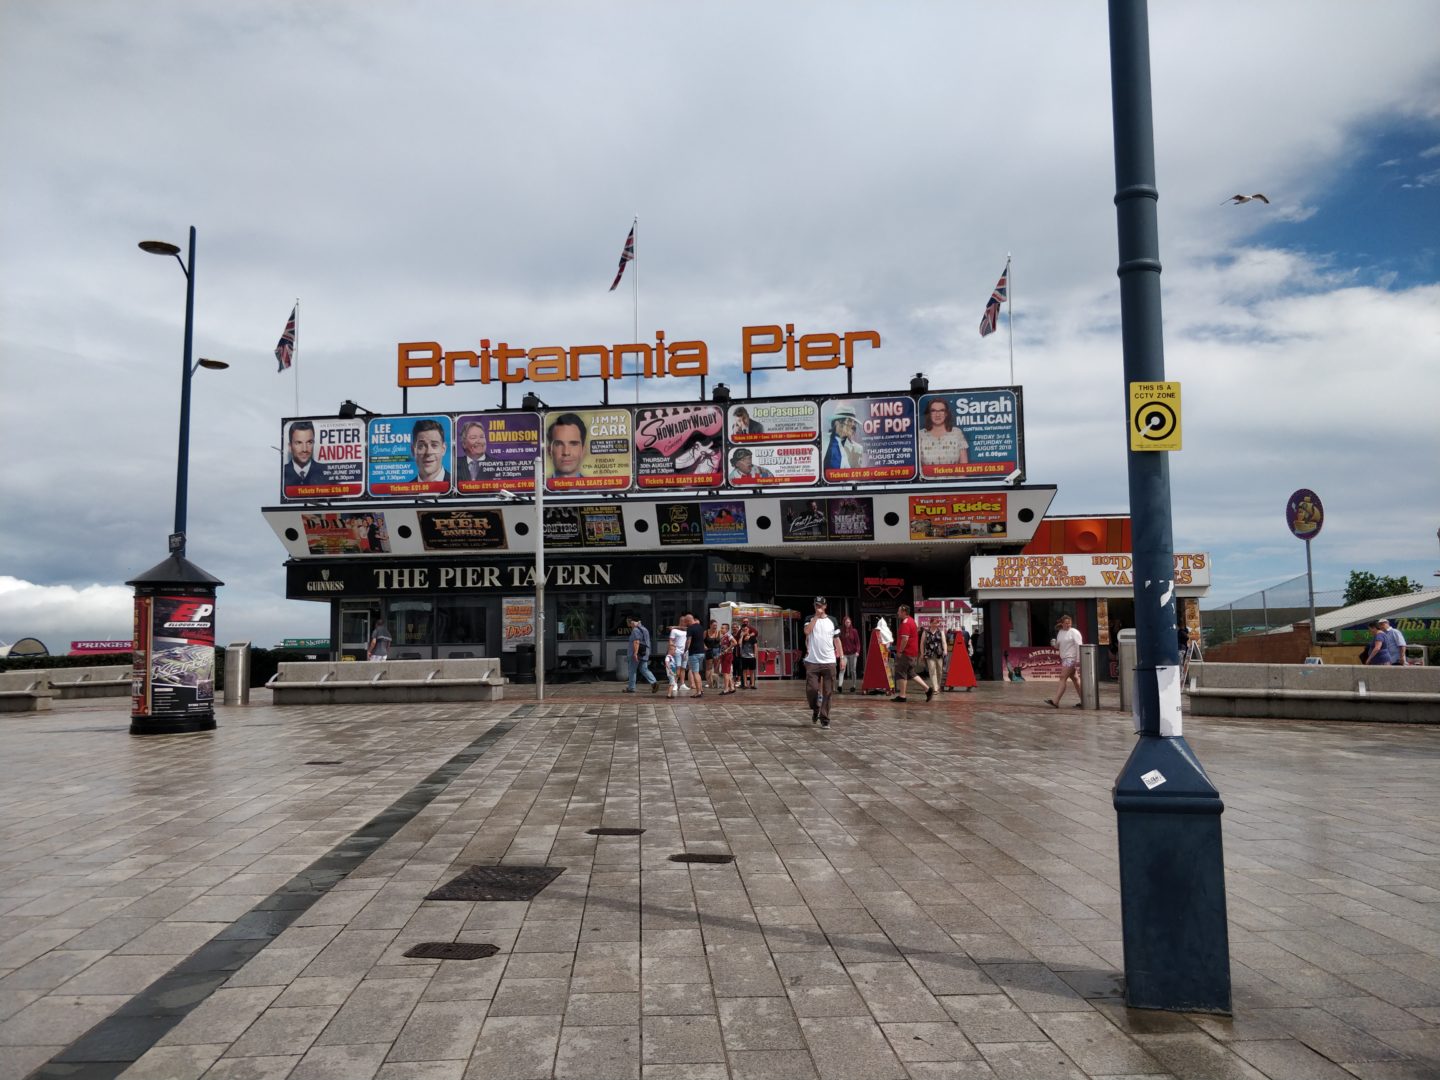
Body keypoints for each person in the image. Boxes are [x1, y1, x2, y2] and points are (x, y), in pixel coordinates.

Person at [803, 596, 842, 727]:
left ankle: (825, 719)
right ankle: (815, 708)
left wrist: (841, 657)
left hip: (829, 661)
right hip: (812, 661)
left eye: (820, 605)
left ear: (825, 606)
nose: (818, 607)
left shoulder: (832, 620)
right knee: (812, 690)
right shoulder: (809, 619)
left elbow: (837, 640)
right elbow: (807, 631)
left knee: (828, 691)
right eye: (816, 605)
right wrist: (815, 617)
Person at [918, 398, 969, 472]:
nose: (937, 414)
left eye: (941, 410)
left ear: (946, 413)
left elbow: (964, 467)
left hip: (953, 482)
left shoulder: (957, 433)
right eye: (933, 411)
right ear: (929, 414)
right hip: (928, 482)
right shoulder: (920, 435)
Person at [891, 604, 929, 703]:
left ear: (903, 612)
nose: (897, 613)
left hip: (906, 653)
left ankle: (902, 696)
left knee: (900, 672)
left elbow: (905, 639)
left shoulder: (906, 623)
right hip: (912, 652)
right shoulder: (911, 621)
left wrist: (900, 651)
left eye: (899, 611)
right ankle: (927, 689)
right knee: (911, 672)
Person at [1048, 614, 1084, 707]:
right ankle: (1085, 701)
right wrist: (1054, 644)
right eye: (1066, 623)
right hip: (1064, 658)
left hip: (1071, 658)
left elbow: (1079, 645)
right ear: (1062, 624)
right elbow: (1058, 646)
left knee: (1062, 677)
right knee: (1075, 679)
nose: (1068, 625)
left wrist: (1078, 660)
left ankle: (1056, 701)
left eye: (1070, 623)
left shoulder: (1074, 632)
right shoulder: (1060, 632)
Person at [823, 406, 864, 472]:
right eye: (849, 421)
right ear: (837, 423)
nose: (853, 425)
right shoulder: (822, 439)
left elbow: (857, 474)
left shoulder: (857, 448)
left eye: (854, 422)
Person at [547, 413, 588, 478]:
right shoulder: (537, 487)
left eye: (573, 444)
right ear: (549, 451)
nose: (566, 452)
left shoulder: (597, 487)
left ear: (583, 450)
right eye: (559, 444)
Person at [624, 615, 657, 693]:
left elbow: (636, 641)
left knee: (632, 670)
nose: (628, 623)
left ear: (632, 621)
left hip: (636, 653)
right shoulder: (644, 629)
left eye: (628, 621)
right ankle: (654, 682)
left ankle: (631, 688)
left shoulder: (635, 630)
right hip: (644, 652)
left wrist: (635, 653)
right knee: (644, 669)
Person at [411, 419, 450, 485]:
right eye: (421, 446)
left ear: (443, 449)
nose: (428, 452)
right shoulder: (400, 493)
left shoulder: (461, 488)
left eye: (434, 445)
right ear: (413, 451)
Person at [282, 420, 316, 488]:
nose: (304, 449)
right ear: (290, 447)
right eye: (299, 443)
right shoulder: (282, 473)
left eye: (309, 442)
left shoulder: (327, 474)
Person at [922, 617, 948, 699]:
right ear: (930, 623)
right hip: (929, 654)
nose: (934, 624)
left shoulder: (941, 632)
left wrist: (945, 651)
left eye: (936, 623)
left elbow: (944, 642)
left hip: (939, 654)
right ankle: (935, 688)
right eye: (933, 623)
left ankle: (939, 686)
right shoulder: (925, 632)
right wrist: (922, 653)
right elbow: (922, 643)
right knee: (932, 670)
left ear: (938, 624)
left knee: (940, 670)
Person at [685, 612, 707, 697]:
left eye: (686, 621)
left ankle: (698, 692)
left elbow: (689, 641)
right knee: (697, 672)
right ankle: (700, 689)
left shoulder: (690, 628)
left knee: (695, 673)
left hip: (694, 653)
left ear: (689, 620)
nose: (686, 623)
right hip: (701, 652)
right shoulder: (700, 627)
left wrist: (685, 649)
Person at [665, 619, 688, 698]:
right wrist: (673, 650)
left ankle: (682, 684)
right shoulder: (674, 631)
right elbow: (671, 641)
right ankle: (674, 683)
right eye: (683, 621)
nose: (684, 623)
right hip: (677, 651)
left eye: (685, 621)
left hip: (684, 651)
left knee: (683, 668)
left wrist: (675, 626)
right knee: (677, 667)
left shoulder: (687, 631)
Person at [838, 615, 861, 693]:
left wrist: (858, 651)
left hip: (853, 653)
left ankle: (853, 685)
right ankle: (840, 686)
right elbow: (839, 642)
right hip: (844, 653)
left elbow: (857, 642)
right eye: (846, 622)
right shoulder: (841, 631)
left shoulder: (854, 631)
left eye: (849, 622)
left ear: (850, 623)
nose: (848, 623)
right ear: (844, 623)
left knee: (853, 670)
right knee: (842, 669)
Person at [736, 617, 758, 688]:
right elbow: (738, 643)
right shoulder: (740, 632)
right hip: (743, 656)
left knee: (752, 671)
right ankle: (744, 684)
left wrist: (755, 655)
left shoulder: (752, 631)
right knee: (744, 670)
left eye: (746, 621)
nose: (745, 622)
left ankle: (752, 684)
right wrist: (742, 636)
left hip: (751, 656)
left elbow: (755, 644)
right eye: (744, 621)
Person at [704, 619, 722, 689]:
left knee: (716, 668)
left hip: (717, 650)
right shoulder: (706, 632)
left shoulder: (718, 632)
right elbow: (701, 641)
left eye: (716, 625)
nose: (715, 627)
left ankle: (715, 683)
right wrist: (704, 646)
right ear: (710, 625)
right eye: (714, 625)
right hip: (709, 650)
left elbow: (720, 642)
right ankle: (709, 683)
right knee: (709, 667)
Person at [719, 623, 737, 695]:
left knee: (726, 673)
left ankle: (726, 689)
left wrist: (728, 649)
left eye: (723, 628)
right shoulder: (722, 636)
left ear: (727, 629)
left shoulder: (729, 635)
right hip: (723, 655)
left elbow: (735, 642)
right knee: (727, 672)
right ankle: (732, 687)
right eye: (721, 628)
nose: (721, 629)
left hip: (728, 655)